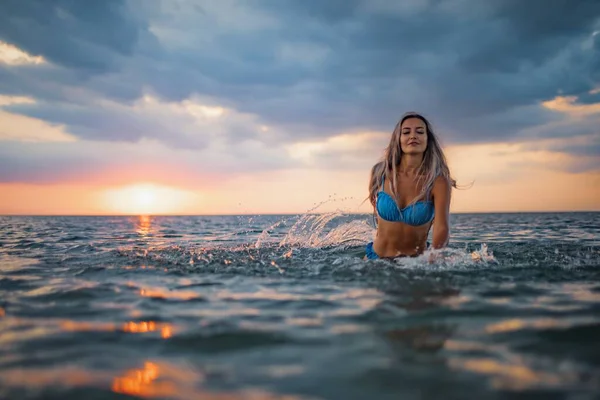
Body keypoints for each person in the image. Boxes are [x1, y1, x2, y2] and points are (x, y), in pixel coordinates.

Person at [365, 112, 456, 260]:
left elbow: (442, 228)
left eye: (420, 132)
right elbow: (378, 217)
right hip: (375, 259)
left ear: (428, 140)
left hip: (414, 264)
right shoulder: (380, 172)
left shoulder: (438, 182)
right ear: (398, 139)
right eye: (406, 132)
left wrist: (433, 256)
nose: (413, 136)